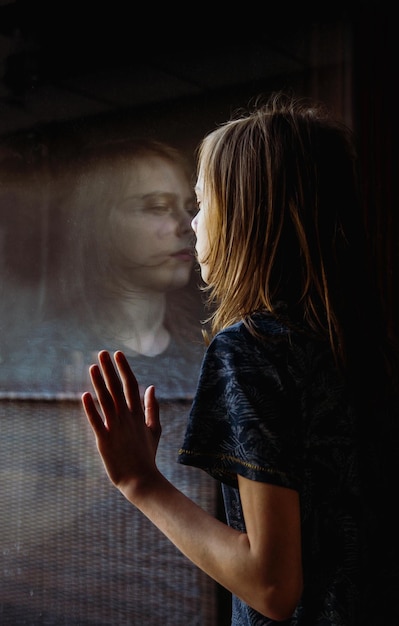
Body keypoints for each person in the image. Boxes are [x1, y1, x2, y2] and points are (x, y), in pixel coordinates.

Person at [81, 92, 399, 625]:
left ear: (248, 215)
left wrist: (141, 481)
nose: (192, 225)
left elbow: (272, 586)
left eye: (202, 203)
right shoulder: (366, 345)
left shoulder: (252, 347)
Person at [1, 136, 205, 397]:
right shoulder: (46, 359)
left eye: (190, 208)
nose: (187, 224)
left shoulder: (206, 350)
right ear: (98, 223)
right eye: (157, 207)